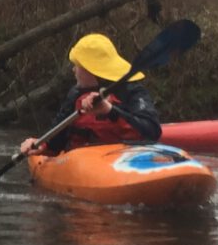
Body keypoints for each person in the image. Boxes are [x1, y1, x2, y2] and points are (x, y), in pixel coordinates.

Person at [19, 34, 161, 156]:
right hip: (83, 160)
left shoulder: (132, 91)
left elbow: (152, 132)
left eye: (77, 65)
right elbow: (56, 142)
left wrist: (110, 110)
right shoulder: (75, 95)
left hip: (122, 157)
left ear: (91, 70)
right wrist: (40, 144)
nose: (74, 70)